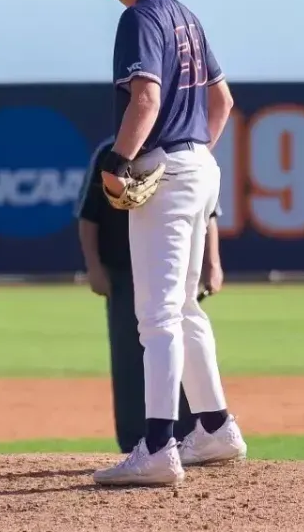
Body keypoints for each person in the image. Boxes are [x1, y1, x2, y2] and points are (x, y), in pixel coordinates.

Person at [77, 0, 246, 486]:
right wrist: (194, 151)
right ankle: (216, 427)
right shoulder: (184, 16)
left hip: (167, 169)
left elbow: (145, 100)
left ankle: (156, 448)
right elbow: (221, 100)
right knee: (185, 309)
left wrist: (118, 162)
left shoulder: (139, 17)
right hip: (197, 166)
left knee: (154, 318)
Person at [76, 135, 226, 455]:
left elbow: (209, 214)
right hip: (124, 271)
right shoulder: (110, 153)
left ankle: (189, 435)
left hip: (175, 269)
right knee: (130, 360)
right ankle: (134, 442)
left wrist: (213, 263)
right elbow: (89, 216)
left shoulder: (179, 152)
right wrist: (94, 267)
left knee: (181, 347)